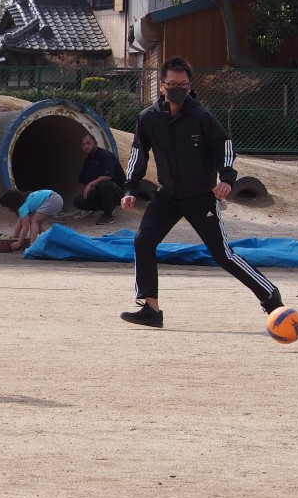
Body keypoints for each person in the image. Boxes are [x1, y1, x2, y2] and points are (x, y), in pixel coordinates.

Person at [120, 56, 281, 328]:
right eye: (172, 84)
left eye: (183, 84)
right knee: (143, 242)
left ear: (190, 86)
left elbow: (225, 148)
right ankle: (151, 309)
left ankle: (270, 295)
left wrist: (227, 179)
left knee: (222, 254)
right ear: (162, 85)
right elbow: (138, 153)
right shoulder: (148, 118)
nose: (178, 89)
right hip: (167, 195)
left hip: (201, 197)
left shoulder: (201, 116)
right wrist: (130, 188)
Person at [74, 133, 124, 224]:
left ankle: (108, 216)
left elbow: (108, 176)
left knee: (104, 183)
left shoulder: (104, 155)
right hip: (101, 192)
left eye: (88, 143)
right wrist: (87, 190)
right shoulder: (88, 161)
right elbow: (83, 180)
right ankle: (107, 207)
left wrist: (91, 184)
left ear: (95, 143)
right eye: (83, 144)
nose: (86, 146)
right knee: (78, 201)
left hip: (117, 192)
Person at [0, 187, 63, 251]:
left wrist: (19, 243)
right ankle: (48, 240)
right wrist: (14, 237)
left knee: (34, 220)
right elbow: (19, 223)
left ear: (12, 204)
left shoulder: (22, 207)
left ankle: (32, 245)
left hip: (52, 199)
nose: (8, 209)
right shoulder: (25, 200)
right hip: (55, 197)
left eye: (8, 207)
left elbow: (25, 227)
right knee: (38, 222)